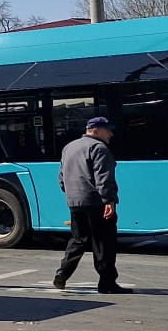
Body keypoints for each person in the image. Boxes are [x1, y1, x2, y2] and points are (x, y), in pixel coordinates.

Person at [53, 116, 132, 294]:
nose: (111, 134)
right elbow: (103, 178)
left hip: (75, 202)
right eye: (107, 130)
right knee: (104, 242)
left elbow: (61, 178)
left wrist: (73, 194)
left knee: (78, 239)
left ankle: (62, 274)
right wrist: (109, 201)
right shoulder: (99, 148)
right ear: (95, 130)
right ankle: (107, 283)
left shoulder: (69, 147)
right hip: (96, 202)